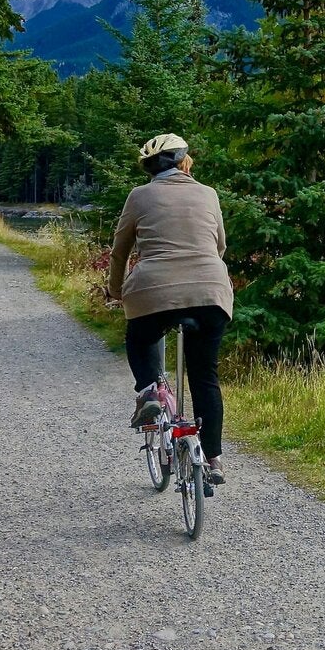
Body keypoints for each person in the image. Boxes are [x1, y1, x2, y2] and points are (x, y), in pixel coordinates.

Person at [107, 134, 235, 487]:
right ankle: (213, 458)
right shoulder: (208, 193)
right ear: (184, 161)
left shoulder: (139, 196)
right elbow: (219, 246)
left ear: (150, 169)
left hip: (152, 291)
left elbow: (120, 250)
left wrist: (115, 291)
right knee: (205, 376)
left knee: (140, 338)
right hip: (210, 291)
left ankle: (149, 392)